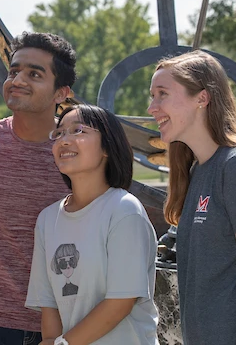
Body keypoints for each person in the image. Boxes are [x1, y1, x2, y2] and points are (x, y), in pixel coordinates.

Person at [0, 32, 76, 344]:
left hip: (67, 323)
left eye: (34, 74)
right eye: (14, 71)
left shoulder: (79, 153)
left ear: (61, 93)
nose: (18, 80)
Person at [26, 104, 159, 345]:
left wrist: (63, 344)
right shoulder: (47, 219)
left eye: (78, 131)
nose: (64, 140)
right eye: (59, 133)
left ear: (107, 146)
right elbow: (49, 304)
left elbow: (120, 303)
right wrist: (53, 341)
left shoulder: (124, 210)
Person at [147, 50, 236, 345]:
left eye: (162, 94)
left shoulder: (235, 165)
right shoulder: (195, 172)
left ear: (202, 99)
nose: (152, 107)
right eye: (152, 96)